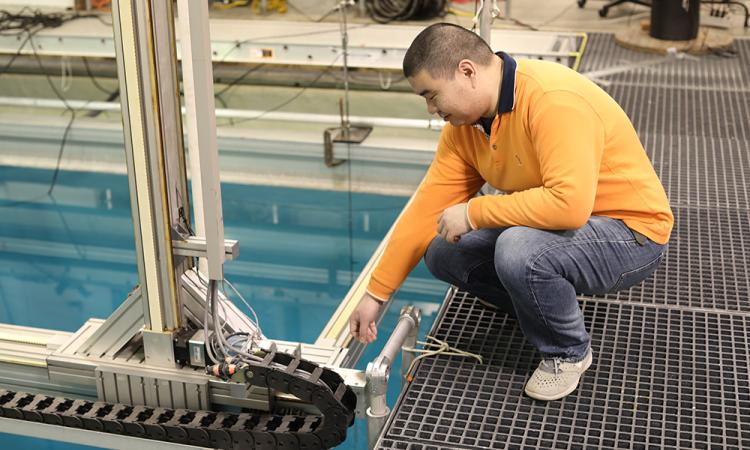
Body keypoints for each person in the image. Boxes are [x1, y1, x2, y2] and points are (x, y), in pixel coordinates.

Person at [348, 23, 673, 401]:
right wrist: (376, 294)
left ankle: (568, 353)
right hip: (565, 233)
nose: (432, 110)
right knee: (443, 251)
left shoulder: (552, 98)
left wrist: (476, 211)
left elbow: (568, 206)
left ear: (467, 72)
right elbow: (426, 210)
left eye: (432, 95)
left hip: (630, 234)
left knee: (519, 250)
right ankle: (538, 301)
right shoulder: (465, 128)